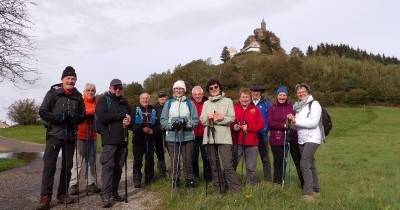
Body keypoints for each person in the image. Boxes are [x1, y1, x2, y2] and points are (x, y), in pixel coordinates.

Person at [37, 66, 85, 210]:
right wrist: (57, 118)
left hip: (70, 136)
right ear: (62, 79)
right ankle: (45, 197)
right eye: (68, 78)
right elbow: (42, 112)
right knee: (49, 167)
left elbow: (82, 115)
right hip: (54, 135)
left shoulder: (78, 96)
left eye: (73, 79)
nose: (71, 81)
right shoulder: (53, 93)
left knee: (67, 167)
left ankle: (62, 193)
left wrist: (75, 118)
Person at [96, 79, 132, 208]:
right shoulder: (104, 100)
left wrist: (129, 121)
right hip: (109, 141)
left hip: (123, 141)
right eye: (115, 87)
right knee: (108, 167)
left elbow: (130, 119)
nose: (117, 90)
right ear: (110, 88)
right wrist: (120, 115)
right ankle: (105, 194)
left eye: (120, 88)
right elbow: (102, 117)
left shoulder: (124, 102)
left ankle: (114, 191)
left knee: (118, 168)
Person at [200, 79, 240, 194]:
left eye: (215, 87)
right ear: (208, 90)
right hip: (209, 138)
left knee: (228, 165)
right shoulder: (206, 103)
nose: (213, 89)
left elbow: (231, 118)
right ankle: (219, 190)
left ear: (220, 88)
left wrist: (220, 119)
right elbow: (202, 120)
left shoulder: (227, 101)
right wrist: (209, 119)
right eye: (211, 88)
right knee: (214, 166)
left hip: (224, 138)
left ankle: (235, 190)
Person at [160, 80, 199, 189]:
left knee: (188, 161)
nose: (178, 90)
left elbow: (195, 119)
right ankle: (175, 180)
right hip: (172, 137)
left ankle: (189, 181)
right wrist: (171, 126)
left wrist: (187, 124)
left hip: (187, 137)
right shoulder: (169, 103)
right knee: (175, 161)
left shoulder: (189, 103)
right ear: (173, 90)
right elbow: (163, 119)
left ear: (184, 90)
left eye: (181, 88)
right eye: (176, 88)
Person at [287, 83, 321, 202]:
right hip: (302, 139)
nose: (301, 94)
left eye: (303, 92)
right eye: (298, 92)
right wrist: (291, 123)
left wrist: (295, 120)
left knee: (304, 164)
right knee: (310, 165)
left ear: (308, 92)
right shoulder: (298, 107)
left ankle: (308, 193)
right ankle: (316, 190)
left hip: (312, 138)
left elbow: (313, 123)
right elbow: (298, 126)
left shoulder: (314, 104)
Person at [268, 86, 303, 186]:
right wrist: (284, 125)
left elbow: (298, 120)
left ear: (287, 96)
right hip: (277, 139)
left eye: (284, 95)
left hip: (292, 137)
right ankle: (278, 183)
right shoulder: (272, 108)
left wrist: (292, 122)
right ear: (277, 95)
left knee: (298, 161)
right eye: (280, 95)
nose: (282, 97)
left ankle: (305, 184)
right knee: (279, 162)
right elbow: (270, 123)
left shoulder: (293, 107)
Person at [69, 83, 101, 195]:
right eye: (88, 90)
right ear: (84, 91)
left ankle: (90, 183)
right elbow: (82, 113)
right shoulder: (80, 101)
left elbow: (100, 113)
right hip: (80, 136)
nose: (90, 92)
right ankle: (73, 184)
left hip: (93, 136)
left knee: (91, 161)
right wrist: (94, 112)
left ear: (95, 92)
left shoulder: (97, 102)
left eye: (93, 90)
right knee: (77, 162)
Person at [231, 88, 264, 186]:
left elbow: (261, 124)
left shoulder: (256, 109)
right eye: (243, 97)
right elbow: (229, 122)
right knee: (232, 164)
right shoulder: (234, 108)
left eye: (247, 97)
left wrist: (249, 128)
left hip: (251, 142)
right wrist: (234, 127)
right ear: (239, 98)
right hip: (236, 141)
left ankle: (251, 186)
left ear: (250, 98)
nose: (244, 99)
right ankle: (230, 184)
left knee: (251, 166)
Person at [132, 93, 157, 188]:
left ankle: (149, 178)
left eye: (147, 98)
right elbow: (131, 125)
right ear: (140, 100)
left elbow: (158, 125)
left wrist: (153, 130)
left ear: (149, 99)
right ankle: (137, 180)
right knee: (138, 161)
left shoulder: (153, 110)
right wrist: (141, 129)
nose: (145, 100)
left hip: (150, 140)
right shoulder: (135, 110)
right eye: (143, 98)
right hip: (138, 140)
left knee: (150, 160)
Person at [250, 84, 272, 182]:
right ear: (251, 92)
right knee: (251, 160)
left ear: (261, 92)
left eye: (258, 91)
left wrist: (265, 129)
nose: (256, 92)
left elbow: (270, 118)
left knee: (265, 158)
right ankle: (251, 180)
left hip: (262, 135)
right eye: (254, 91)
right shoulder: (247, 102)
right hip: (250, 135)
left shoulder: (266, 103)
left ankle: (268, 180)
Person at [191, 86, 212, 181]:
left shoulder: (208, 103)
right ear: (192, 95)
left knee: (206, 156)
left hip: (205, 134)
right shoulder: (189, 103)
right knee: (193, 156)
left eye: (199, 94)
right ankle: (195, 176)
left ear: (202, 94)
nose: (197, 96)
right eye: (195, 94)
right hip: (193, 135)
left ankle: (208, 177)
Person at [153, 91, 168, 178]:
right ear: (158, 98)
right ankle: (162, 170)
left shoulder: (170, 106)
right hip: (158, 133)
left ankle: (174, 169)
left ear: (166, 97)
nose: (162, 98)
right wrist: (158, 126)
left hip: (169, 132)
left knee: (171, 151)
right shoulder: (155, 108)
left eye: (163, 96)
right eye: (160, 97)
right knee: (160, 152)